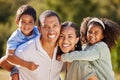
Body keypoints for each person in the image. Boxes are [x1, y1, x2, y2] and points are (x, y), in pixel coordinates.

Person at [12, 10, 63, 80]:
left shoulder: (63, 48)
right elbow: (4, 62)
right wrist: (14, 73)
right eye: (46, 27)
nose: (51, 31)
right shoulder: (24, 51)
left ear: (60, 26)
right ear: (39, 29)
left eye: (55, 25)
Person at [0, 4, 40, 79]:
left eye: (30, 22)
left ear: (34, 23)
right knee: (14, 76)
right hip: (20, 64)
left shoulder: (38, 31)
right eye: (23, 22)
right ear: (17, 22)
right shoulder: (15, 37)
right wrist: (27, 64)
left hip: (35, 61)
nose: (26, 25)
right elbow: (9, 56)